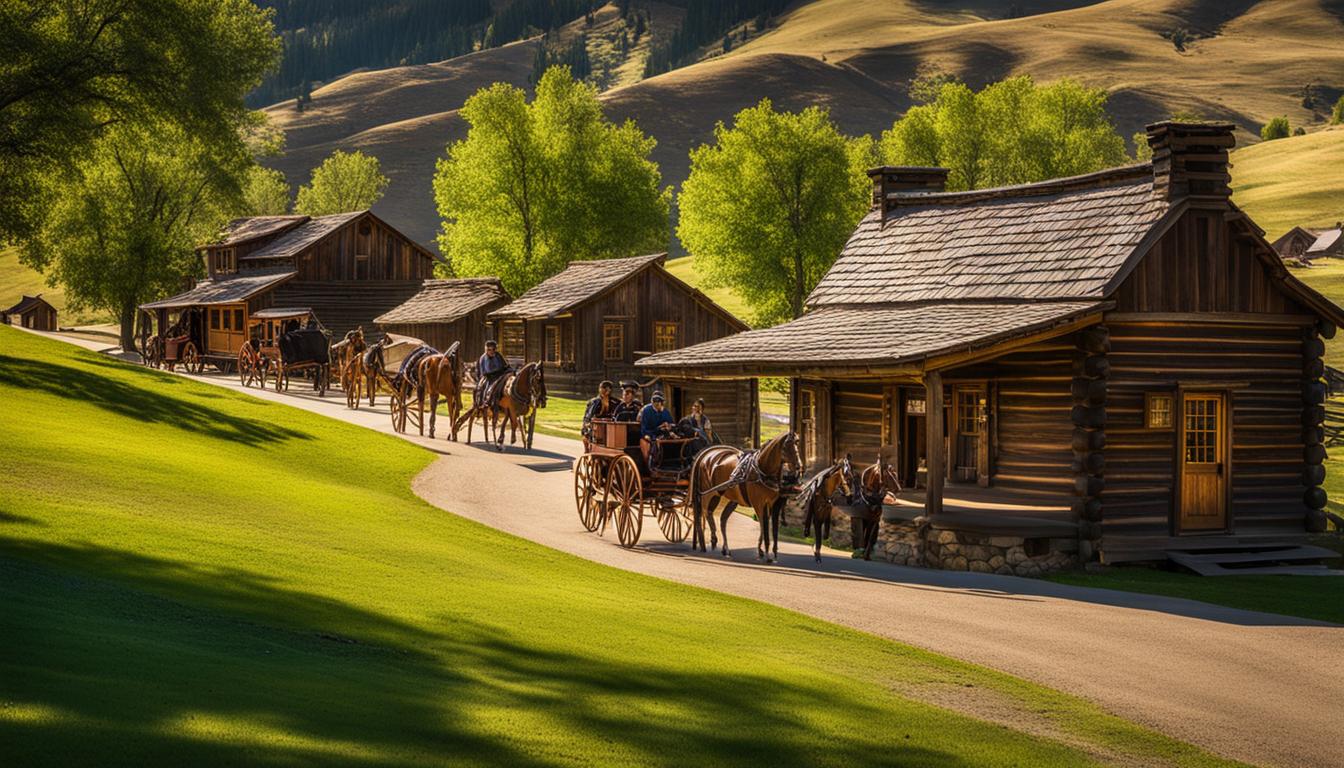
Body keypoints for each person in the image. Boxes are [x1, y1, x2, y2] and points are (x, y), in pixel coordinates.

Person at [474, 340, 511, 410]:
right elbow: (487, 372)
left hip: (500, 376)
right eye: (489, 350)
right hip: (488, 377)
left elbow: (505, 365)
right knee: (488, 387)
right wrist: (500, 371)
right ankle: (485, 402)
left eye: (493, 349)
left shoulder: (498, 355)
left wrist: (509, 369)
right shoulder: (483, 358)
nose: (491, 351)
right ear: (486, 350)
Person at [581, 380, 618, 446]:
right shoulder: (594, 402)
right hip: (595, 427)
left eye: (606, 388)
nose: (605, 390)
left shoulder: (616, 402)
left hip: (610, 426)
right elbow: (589, 416)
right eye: (602, 388)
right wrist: (586, 425)